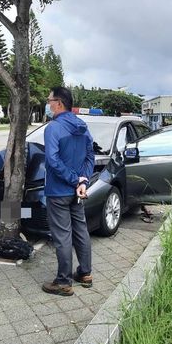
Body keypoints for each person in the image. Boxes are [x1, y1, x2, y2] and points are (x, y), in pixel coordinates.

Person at [42, 87, 95, 296]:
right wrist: (83, 181)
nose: (47, 104)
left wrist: (74, 180)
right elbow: (90, 155)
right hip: (77, 192)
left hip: (58, 191)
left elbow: (52, 160)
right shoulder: (82, 126)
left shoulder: (53, 128)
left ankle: (63, 281)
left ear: (59, 103)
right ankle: (85, 273)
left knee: (62, 235)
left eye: (49, 101)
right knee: (81, 230)